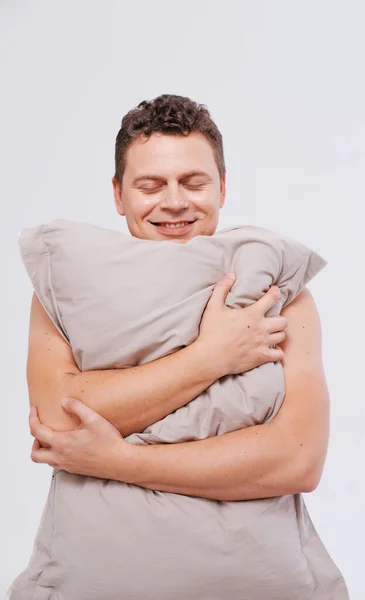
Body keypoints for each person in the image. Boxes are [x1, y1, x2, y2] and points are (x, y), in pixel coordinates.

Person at [27, 94, 329, 505]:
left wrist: (118, 460)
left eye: (193, 183)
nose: (173, 202)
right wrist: (212, 357)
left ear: (221, 188)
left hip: (242, 569)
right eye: (151, 186)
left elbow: (299, 462)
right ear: (118, 195)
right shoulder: (65, 286)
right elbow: (58, 420)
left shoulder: (278, 291)